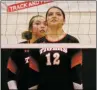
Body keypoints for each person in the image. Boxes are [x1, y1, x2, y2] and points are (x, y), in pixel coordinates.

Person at [28, 6, 83, 90]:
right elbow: (33, 74)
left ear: (64, 21)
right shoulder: (37, 43)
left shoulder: (72, 41)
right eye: (50, 14)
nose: (54, 16)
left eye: (58, 14)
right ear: (46, 22)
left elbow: (76, 73)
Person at [7, 15, 47, 90]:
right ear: (30, 29)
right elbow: (10, 75)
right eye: (38, 23)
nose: (42, 26)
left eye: (45, 24)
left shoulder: (52, 47)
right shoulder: (19, 48)